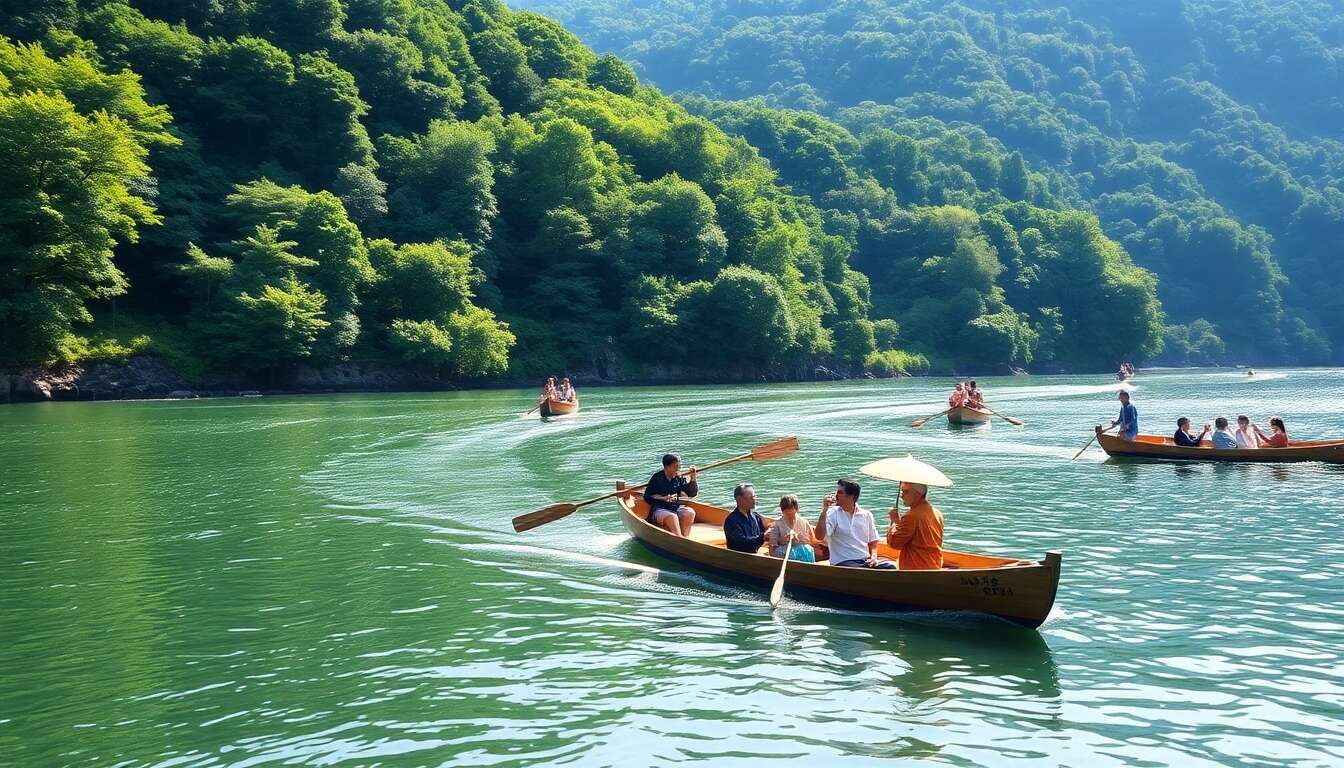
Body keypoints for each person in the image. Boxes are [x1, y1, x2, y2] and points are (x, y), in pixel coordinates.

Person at [814, 479, 892, 569]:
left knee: (890, 567)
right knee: (861, 570)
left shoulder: (866, 515)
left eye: (840, 492)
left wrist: (874, 557)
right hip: (843, 562)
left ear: (852, 496)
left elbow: (873, 541)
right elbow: (819, 536)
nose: (836, 495)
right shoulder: (832, 513)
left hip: (864, 560)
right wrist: (824, 510)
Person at [886, 482, 944, 570]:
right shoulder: (937, 513)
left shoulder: (911, 516)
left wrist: (894, 521)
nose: (902, 495)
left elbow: (894, 544)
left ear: (918, 493)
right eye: (902, 491)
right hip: (935, 564)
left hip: (915, 567)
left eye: (906, 491)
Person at [643, 453, 698, 536]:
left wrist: (693, 478)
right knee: (672, 516)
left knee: (690, 512)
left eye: (679, 466)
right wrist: (663, 498)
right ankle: (679, 539)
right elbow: (647, 496)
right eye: (675, 466)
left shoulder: (679, 478)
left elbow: (691, 494)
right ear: (667, 467)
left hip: (675, 508)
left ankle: (685, 538)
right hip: (660, 509)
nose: (678, 469)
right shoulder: (657, 478)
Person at [766, 495, 815, 563]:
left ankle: (808, 570)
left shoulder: (804, 522)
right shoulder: (777, 525)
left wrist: (798, 538)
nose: (790, 517)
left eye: (792, 514)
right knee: (792, 554)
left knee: (808, 550)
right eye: (787, 514)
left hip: (801, 551)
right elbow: (772, 550)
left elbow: (811, 541)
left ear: (796, 510)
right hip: (785, 552)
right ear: (782, 512)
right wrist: (784, 540)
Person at [723, 483, 766, 553]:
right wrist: (763, 537)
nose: (754, 500)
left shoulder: (756, 517)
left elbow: (764, 531)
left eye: (754, 497)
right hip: (739, 557)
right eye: (751, 497)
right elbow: (743, 544)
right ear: (739, 499)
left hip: (754, 554)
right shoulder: (731, 521)